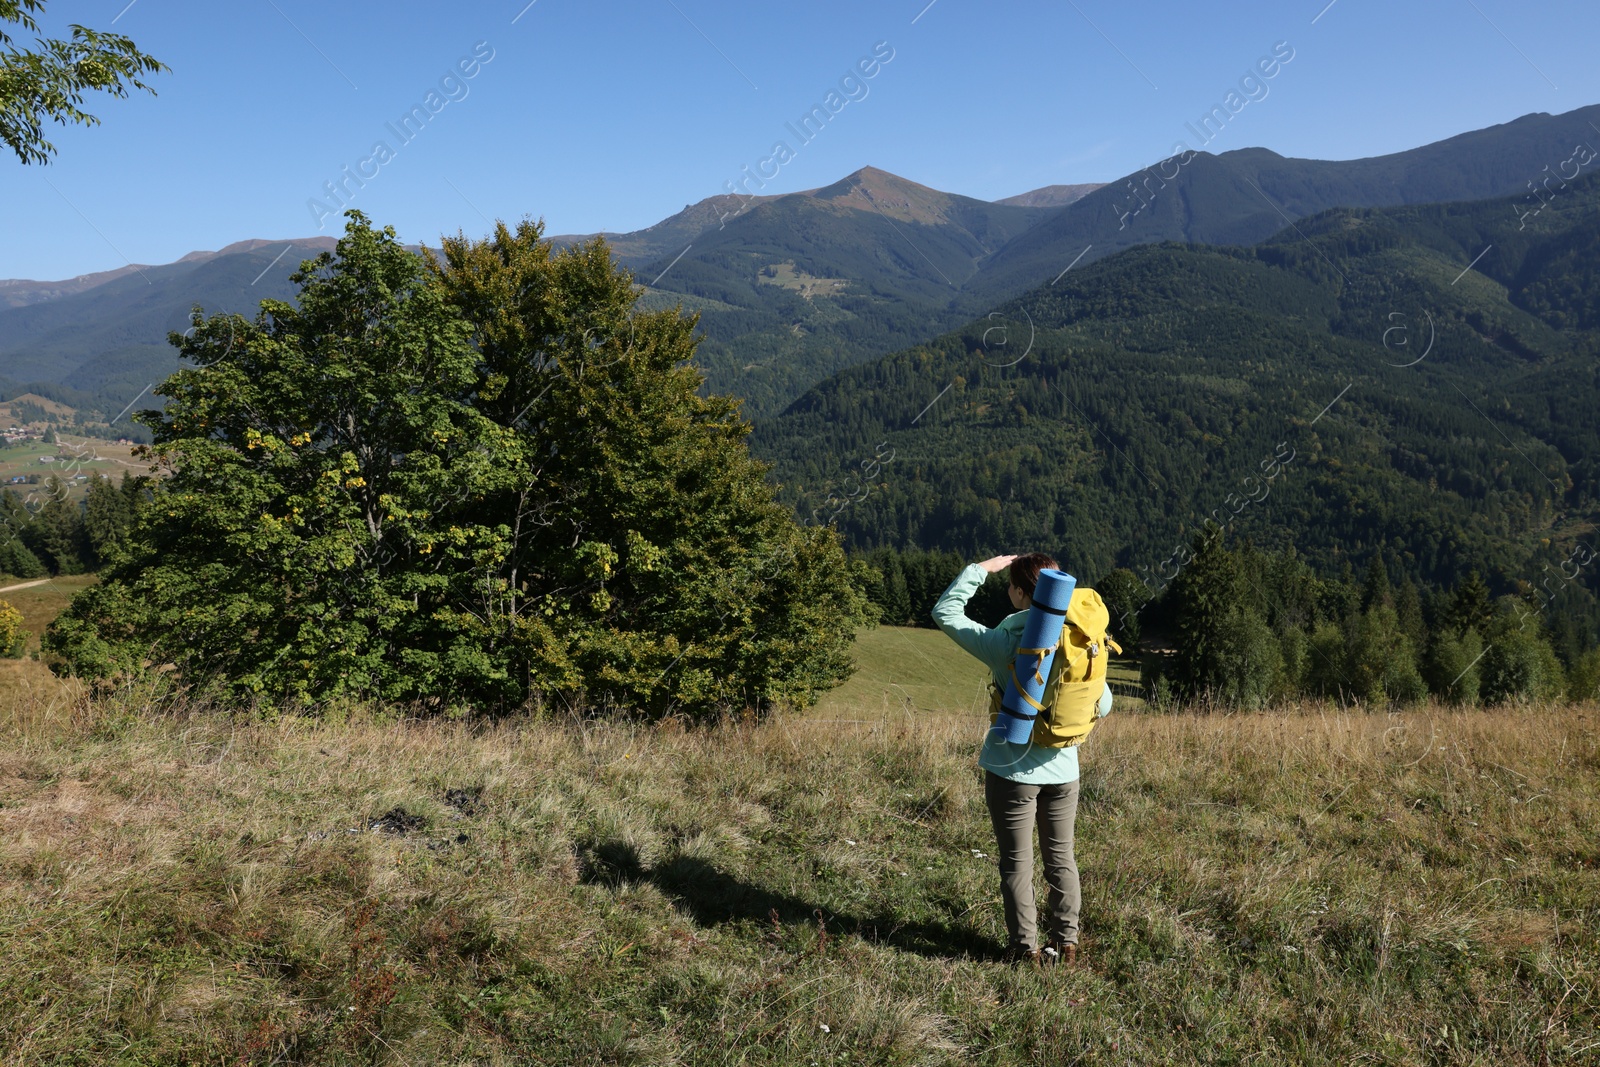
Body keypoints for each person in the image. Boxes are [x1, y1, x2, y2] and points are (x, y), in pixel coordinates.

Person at [931, 552, 1113, 967]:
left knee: (1017, 862)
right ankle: (1066, 944)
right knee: (1061, 857)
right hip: (1065, 770)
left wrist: (981, 569)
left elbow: (946, 612)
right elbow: (1103, 705)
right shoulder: (1082, 638)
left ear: (1018, 592)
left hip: (1010, 770)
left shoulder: (1009, 636)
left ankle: (1023, 949)